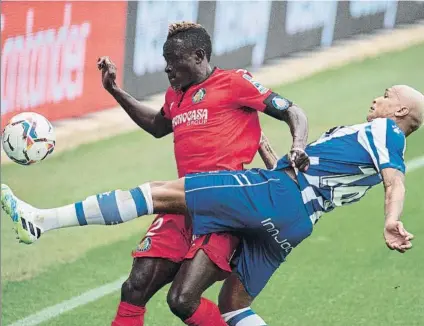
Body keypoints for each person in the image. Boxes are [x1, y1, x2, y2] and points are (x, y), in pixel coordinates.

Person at [3, 85, 422, 325]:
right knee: (234, 306)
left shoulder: (387, 133)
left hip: (276, 195)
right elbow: (320, 174)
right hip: (296, 222)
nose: (378, 99)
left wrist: (391, 218)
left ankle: (41, 220)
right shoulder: (374, 143)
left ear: (400, 110)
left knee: (162, 194)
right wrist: (271, 153)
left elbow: (395, 180)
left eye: (386, 96)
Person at [1, 22, 309, 326]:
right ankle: (40, 221)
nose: (168, 70)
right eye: (166, 64)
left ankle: (43, 220)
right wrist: (114, 90)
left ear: (199, 56)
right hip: (182, 203)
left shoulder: (235, 83)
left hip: (224, 206)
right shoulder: (175, 96)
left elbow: (292, 111)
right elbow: (156, 126)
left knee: (181, 300)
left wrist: (297, 146)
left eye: (175, 62)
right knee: (135, 286)